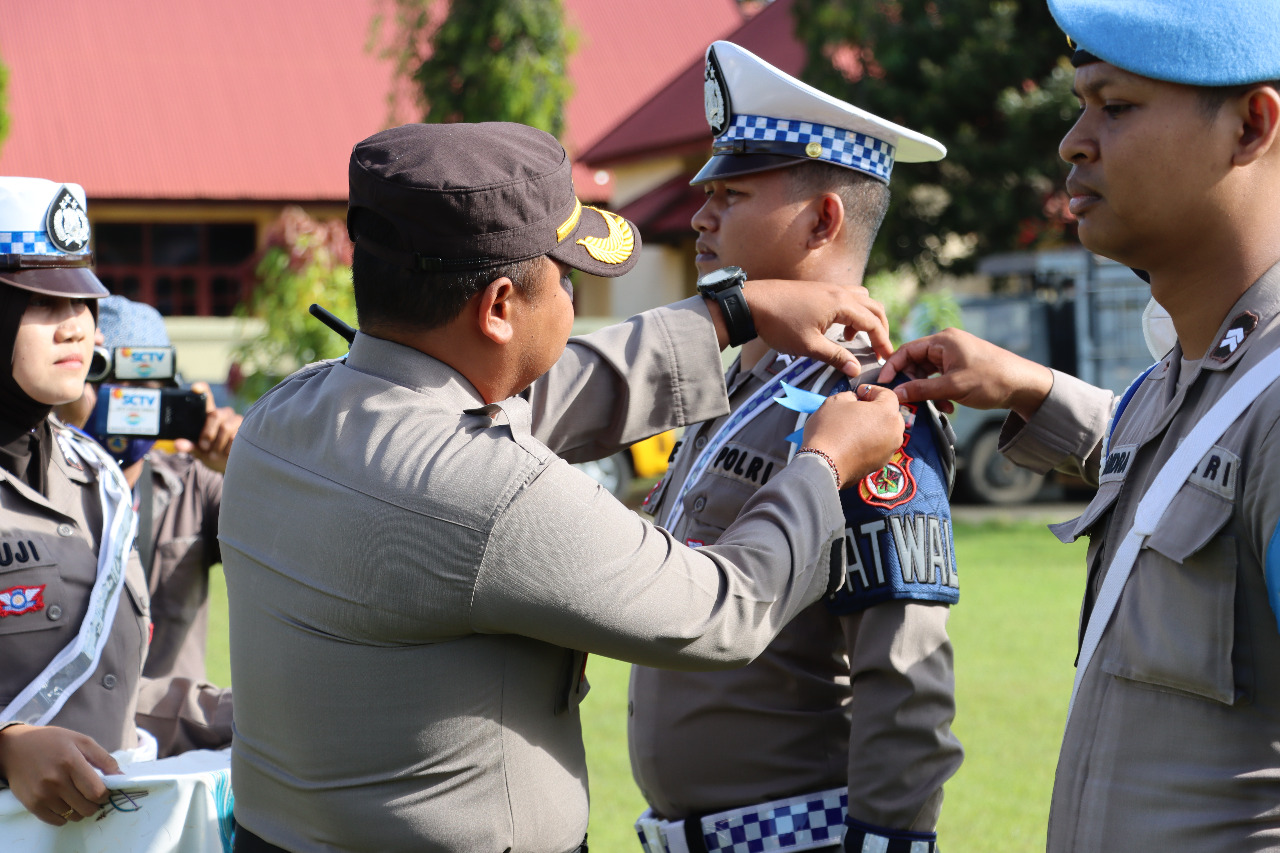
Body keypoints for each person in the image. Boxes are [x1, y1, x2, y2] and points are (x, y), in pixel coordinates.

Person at [218, 121, 910, 853]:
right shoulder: (492, 494)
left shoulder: (284, 417)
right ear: (498, 306)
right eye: (567, 279)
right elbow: (722, 609)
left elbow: (532, 395)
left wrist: (728, 313)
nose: (574, 304)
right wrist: (826, 462)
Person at [878, 1, 1280, 849]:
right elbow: (1182, 482)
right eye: (1080, 103)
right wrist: (1029, 390)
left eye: (1116, 105)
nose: (1073, 140)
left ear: (1251, 125)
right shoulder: (1185, 373)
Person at [628, 42, 962, 853]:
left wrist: (888, 841)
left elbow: (905, 673)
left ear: (823, 219)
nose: (701, 214)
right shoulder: (736, 386)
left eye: (732, 193)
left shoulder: (872, 404)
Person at [0, 177, 232, 827]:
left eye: (83, 300)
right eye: (43, 302)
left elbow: (109, 692)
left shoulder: (96, 481)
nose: (76, 325)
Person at [56, 295, 240, 683]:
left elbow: (299, 546)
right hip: (62, 732)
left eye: (142, 384)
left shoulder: (195, 484)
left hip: (176, 734)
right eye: (106, 380)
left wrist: (249, 466)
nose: (124, 400)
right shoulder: (29, 483)